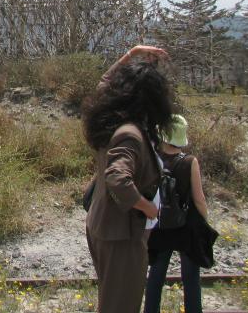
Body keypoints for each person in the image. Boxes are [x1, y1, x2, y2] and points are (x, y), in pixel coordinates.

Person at [83, 45, 174, 313]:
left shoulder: (109, 120)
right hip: (121, 234)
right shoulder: (131, 133)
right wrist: (147, 208)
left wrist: (131, 55)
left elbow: (103, 84)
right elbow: (118, 178)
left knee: (112, 299)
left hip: (104, 225)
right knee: (122, 304)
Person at [144, 114, 209, 313]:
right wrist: (204, 223)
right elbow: (198, 198)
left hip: (160, 224)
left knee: (156, 276)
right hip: (186, 226)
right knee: (191, 278)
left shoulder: (153, 158)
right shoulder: (190, 161)